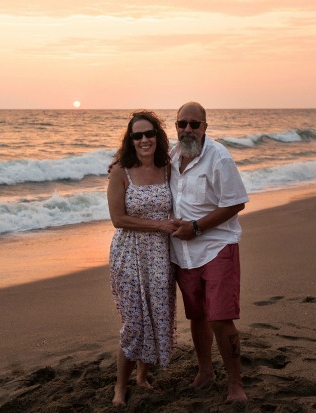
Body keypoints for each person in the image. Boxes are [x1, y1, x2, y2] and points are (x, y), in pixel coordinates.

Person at [169, 102, 249, 402]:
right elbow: (139, 159)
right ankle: (205, 370)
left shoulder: (219, 158)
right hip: (182, 253)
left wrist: (197, 228)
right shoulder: (172, 155)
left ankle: (235, 384)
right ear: (175, 126)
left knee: (220, 318)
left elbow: (236, 202)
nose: (187, 129)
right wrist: (118, 166)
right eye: (182, 124)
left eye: (194, 124)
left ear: (205, 126)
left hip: (217, 247)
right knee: (198, 316)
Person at [106, 110, 178, 406]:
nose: (144, 140)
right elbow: (118, 219)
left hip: (161, 255)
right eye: (138, 135)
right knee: (134, 321)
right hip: (129, 254)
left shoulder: (168, 169)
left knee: (158, 314)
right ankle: (120, 387)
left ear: (158, 137)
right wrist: (160, 225)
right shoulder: (120, 171)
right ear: (130, 140)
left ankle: (142, 376)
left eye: (150, 134)